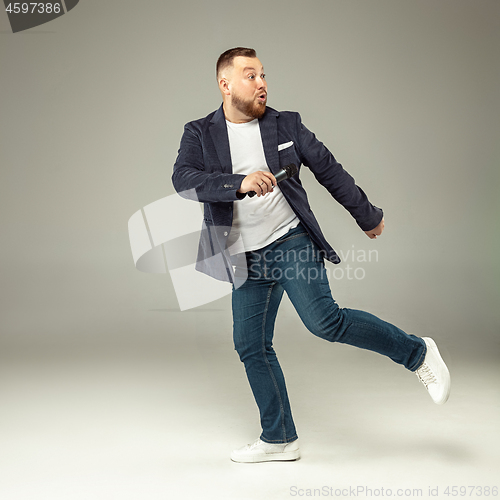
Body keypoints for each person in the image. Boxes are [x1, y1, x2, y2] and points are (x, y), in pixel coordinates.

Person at [171, 47, 450, 463]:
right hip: (245, 256)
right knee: (250, 344)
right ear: (224, 84)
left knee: (325, 322)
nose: (261, 82)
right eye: (250, 75)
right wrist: (240, 182)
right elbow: (184, 180)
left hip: (290, 241)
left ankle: (418, 353)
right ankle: (279, 438)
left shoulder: (287, 124)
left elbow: (329, 169)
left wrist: (366, 214)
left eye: (263, 74)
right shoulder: (199, 133)